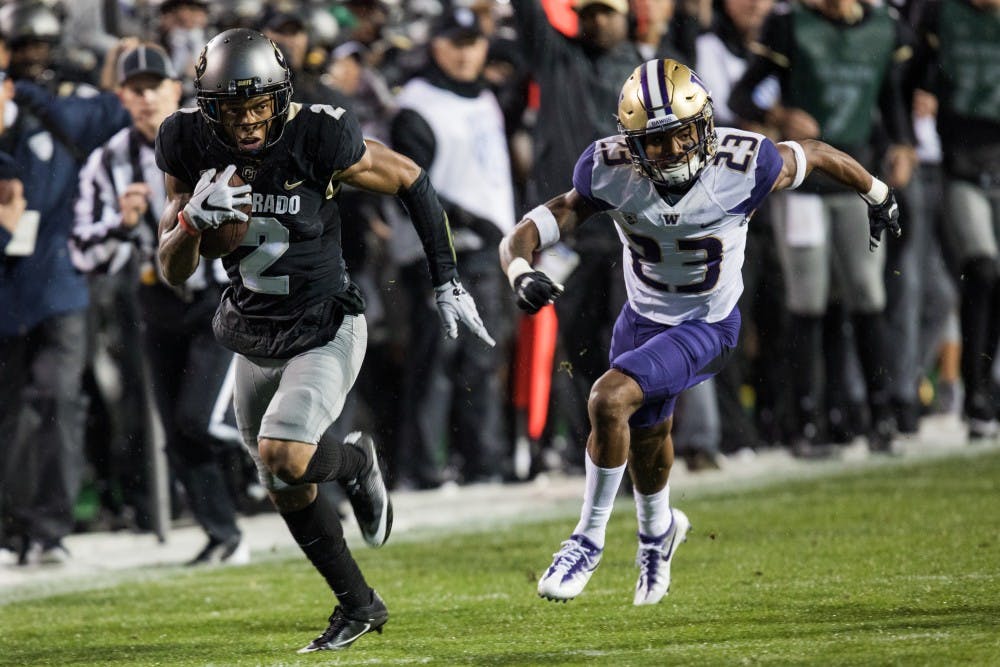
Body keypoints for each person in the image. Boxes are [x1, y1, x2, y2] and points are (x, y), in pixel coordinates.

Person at [498, 59, 901, 605]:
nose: (669, 153)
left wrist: (878, 194)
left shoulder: (745, 164)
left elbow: (819, 153)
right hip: (640, 319)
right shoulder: (607, 169)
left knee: (608, 399)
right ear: (631, 143)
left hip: (706, 322)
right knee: (645, 436)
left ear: (705, 124)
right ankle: (658, 532)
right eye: (654, 142)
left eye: (681, 135)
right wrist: (520, 271)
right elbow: (526, 230)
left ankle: (586, 542)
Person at [155, 28, 493, 652]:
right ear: (208, 108)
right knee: (282, 481)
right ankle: (358, 605)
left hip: (325, 323)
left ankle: (359, 461)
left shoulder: (319, 133)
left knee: (284, 454)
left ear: (280, 96)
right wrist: (188, 224)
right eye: (233, 108)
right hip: (252, 332)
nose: (250, 121)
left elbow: (411, 178)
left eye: (260, 105)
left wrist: (446, 280)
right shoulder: (184, 140)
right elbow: (174, 273)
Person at [71, 42, 252, 564]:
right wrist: (122, 225)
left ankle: (304, 464)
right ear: (121, 96)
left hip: (222, 293)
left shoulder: (217, 138)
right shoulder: (109, 160)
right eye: (136, 89)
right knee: (178, 429)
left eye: (155, 86)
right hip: (157, 297)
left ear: (177, 88)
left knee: (201, 420)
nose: (147, 97)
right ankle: (223, 534)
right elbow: (83, 251)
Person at [729, 0, 916, 454]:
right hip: (805, 184)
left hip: (855, 176)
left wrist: (903, 143)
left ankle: (881, 416)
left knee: (867, 296)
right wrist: (778, 117)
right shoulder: (790, 24)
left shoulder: (882, 27)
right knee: (807, 301)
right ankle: (805, 423)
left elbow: (889, 93)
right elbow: (740, 96)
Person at [0, 49, 131, 565]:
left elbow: (121, 110)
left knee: (56, 402)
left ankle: (50, 527)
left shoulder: (51, 118)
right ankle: (17, 526)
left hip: (58, 288)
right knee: (11, 415)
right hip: (7, 300)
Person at [389, 7, 515, 487]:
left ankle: (484, 462)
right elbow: (408, 185)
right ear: (436, 45)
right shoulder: (417, 105)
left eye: (474, 43)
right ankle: (423, 468)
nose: (467, 53)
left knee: (482, 359)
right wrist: (465, 218)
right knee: (437, 360)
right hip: (440, 252)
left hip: (487, 247)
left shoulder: (484, 95)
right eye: (456, 44)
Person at [912, 0, 1000, 440]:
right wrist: (923, 90)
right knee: (982, 269)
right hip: (964, 166)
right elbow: (911, 68)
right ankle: (976, 389)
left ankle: (988, 388)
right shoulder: (938, 14)